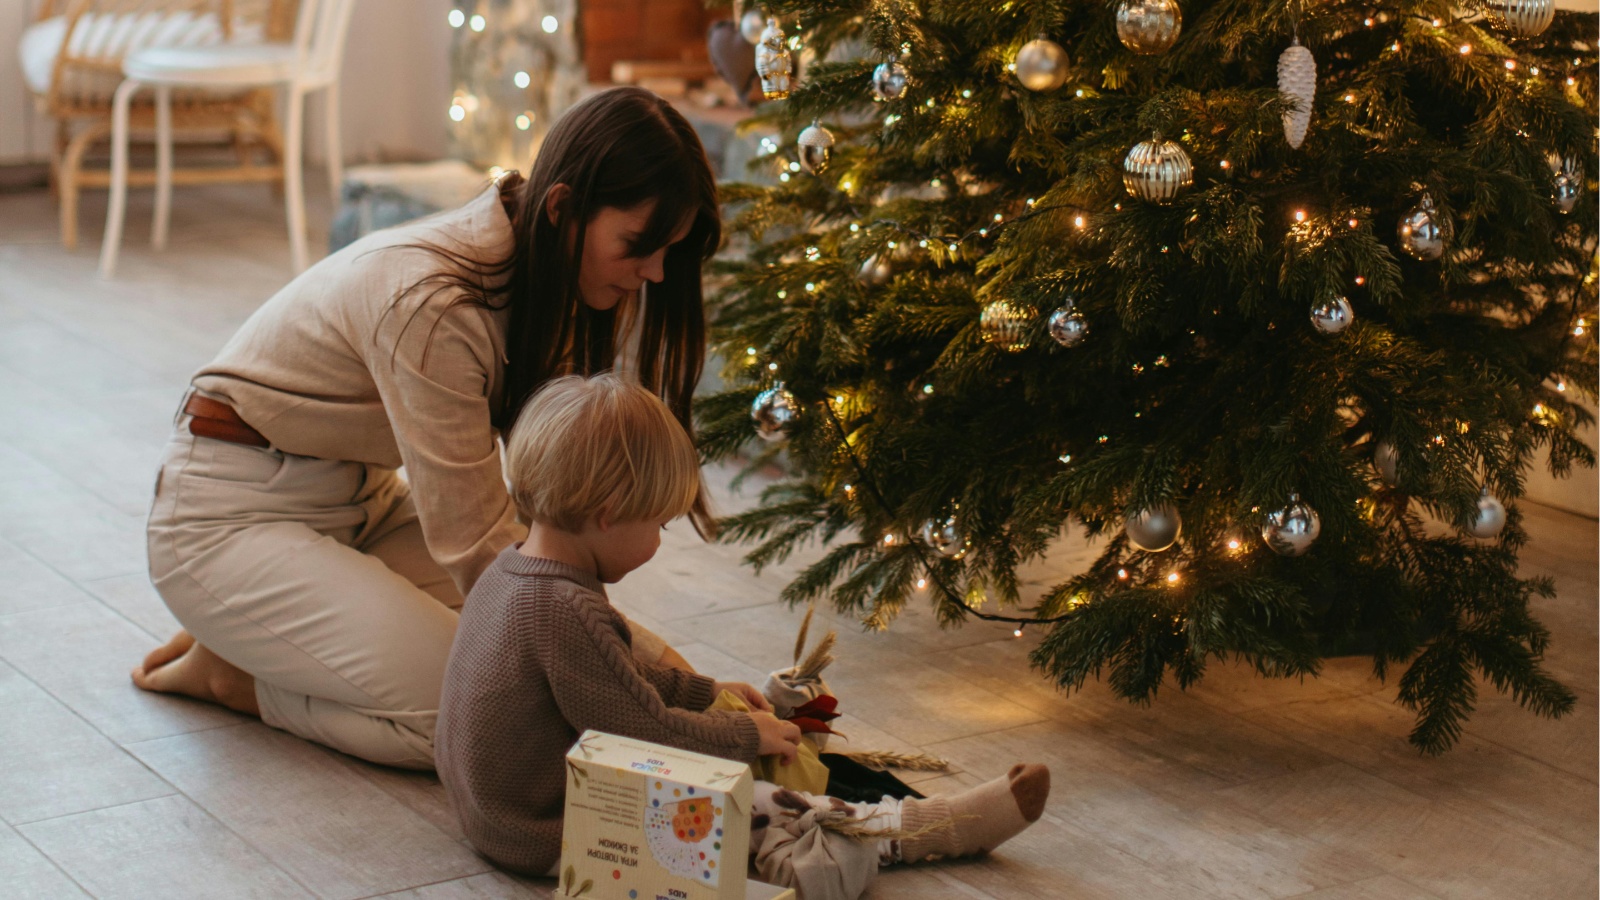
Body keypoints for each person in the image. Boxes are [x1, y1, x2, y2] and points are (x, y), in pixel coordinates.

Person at [132, 86, 718, 769]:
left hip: (360, 506)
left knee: (541, 680)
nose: (654, 273)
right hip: (226, 516)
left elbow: (549, 548)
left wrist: (676, 690)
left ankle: (265, 641)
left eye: (669, 251)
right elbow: (486, 550)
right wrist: (652, 683)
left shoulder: (552, 281)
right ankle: (240, 681)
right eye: (640, 245)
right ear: (562, 207)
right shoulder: (435, 307)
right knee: (491, 721)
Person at [436, 373, 1051, 899]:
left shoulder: (516, 571)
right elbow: (642, 732)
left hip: (493, 818)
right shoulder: (565, 607)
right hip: (549, 829)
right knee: (753, 799)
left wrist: (705, 693)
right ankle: (919, 830)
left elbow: (617, 676)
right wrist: (742, 733)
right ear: (608, 511)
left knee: (728, 781)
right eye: (659, 523)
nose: (657, 540)